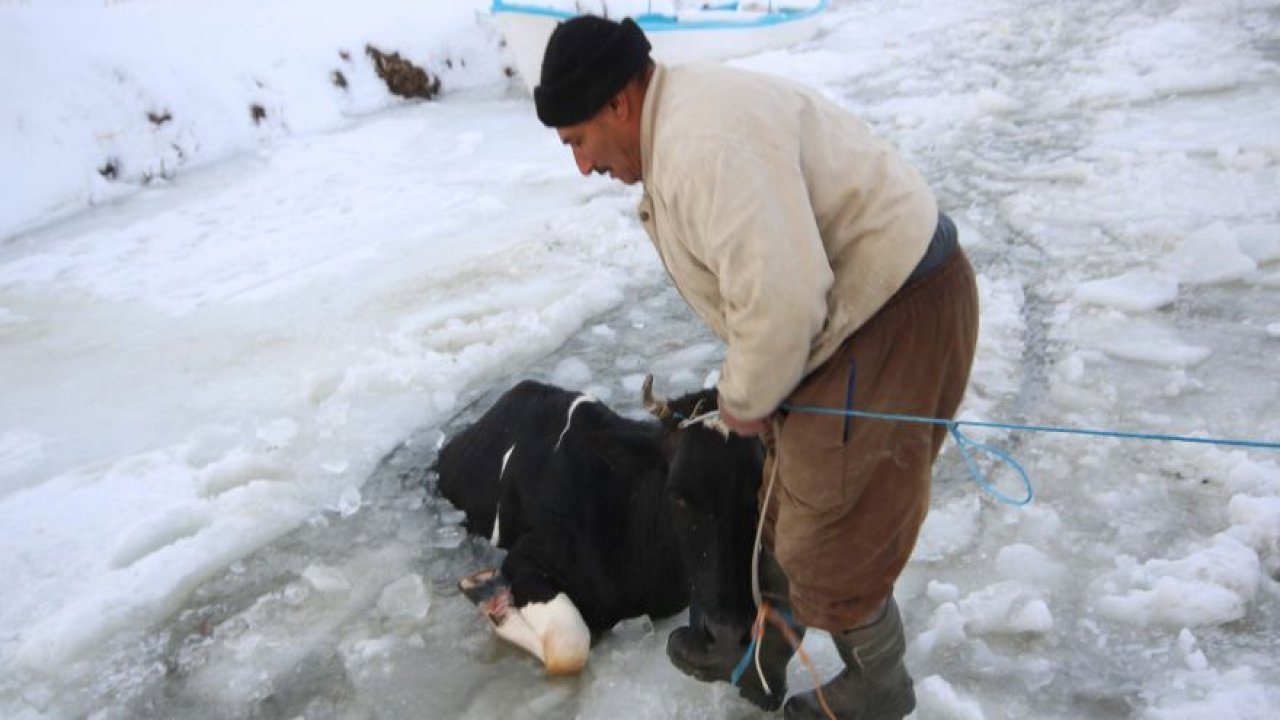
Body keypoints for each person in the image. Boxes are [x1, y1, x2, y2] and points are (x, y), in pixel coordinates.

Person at [532, 15, 978, 720]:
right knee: (779, 493)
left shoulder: (701, 144)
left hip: (891, 312)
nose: (582, 165)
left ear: (618, 102)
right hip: (852, 316)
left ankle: (877, 688)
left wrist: (741, 400)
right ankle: (758, 651)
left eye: (578, 141)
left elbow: (785, 297)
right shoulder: (678, 126)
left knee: (829, 537)